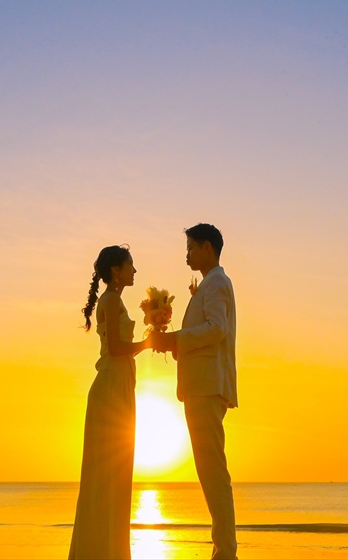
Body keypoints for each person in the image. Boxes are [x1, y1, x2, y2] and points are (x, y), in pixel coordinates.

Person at [150, 223, 238, 559]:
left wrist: (175, 339)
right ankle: (222, 548)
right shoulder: (208, 285)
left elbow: (217, 329)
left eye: (190, 247)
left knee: (213, 470)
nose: (186, 254)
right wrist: (175, 344)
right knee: (208, 469)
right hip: (202, 385)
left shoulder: (217, 283)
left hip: (207, 386)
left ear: (206, 247)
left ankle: (226, 552)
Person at [68, 245, 152, 560]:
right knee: (109, 475)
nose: (135, 271)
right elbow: (117, 348)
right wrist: (148, 342)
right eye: (131, 265)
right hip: (112, 388)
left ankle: (103, 549)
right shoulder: (112, 299)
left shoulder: (112, 300)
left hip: (116, 386)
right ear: (116, 270)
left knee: (109, 476)